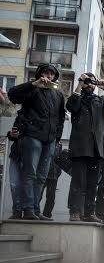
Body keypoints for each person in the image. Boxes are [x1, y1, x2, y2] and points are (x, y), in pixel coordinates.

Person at [8, 64, 66, 220]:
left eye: (52, 73)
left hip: (50, 139)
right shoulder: (32, 88)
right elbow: (12, 95)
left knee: (41, 176)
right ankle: (27, 209)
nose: (48, 75)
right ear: (40, 74)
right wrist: (33, 84)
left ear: (55, 76)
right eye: (46, 72)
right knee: (30, 173)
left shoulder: (58, 94)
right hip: (32, 136)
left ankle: (35, 209)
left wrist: (57, 137)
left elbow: (61, 117)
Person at [65, 73, 104, 222]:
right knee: (78, 181)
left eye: (92, 82)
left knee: (93, 183)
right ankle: (75, 211)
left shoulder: (101, 100)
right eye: (87, 81)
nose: (89, 84)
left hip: (97, 149)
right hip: (80, 148)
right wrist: (79, 83)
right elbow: (70, 106)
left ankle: (89, 213)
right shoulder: (77, 98)